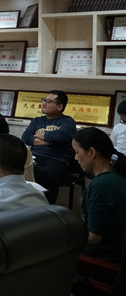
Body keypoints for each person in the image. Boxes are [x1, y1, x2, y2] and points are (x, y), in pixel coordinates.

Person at [72, 127, 126, 262]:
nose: (75, 158)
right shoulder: (117, 176)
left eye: (77, 152)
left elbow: (93, 238)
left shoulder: (102, 186)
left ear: (91, 152)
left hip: (106, 258)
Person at [21, 90, 76, 204]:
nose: (44, 103)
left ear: (60, 106)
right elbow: (26, 138)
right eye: (44, 100)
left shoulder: (68, 121)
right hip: (35, 157)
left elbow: (61, 136)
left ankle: (46, 208)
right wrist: (52, 140)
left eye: (49, 101)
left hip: (57, 160)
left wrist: (39, 136)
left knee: (42, 174)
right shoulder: (37, 121)